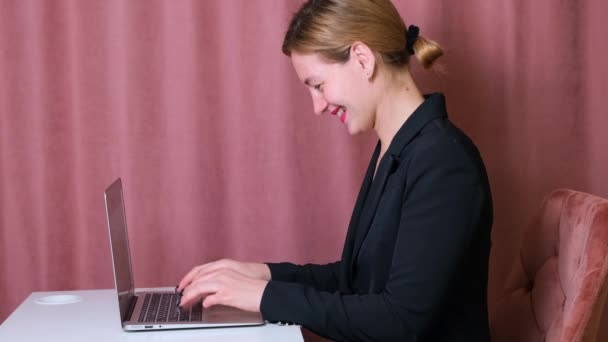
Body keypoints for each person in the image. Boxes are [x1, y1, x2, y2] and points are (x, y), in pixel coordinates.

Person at [177, 0, 493, 340]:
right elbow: (359, 280)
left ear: (362, 58)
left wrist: (263, 297)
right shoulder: (398, 149)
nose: (318, 106)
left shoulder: (444, 162)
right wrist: (261, 275)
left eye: (318, 85)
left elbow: (400, 321)